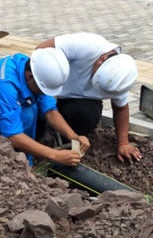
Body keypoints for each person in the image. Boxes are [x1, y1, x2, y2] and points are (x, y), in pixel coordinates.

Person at [0, 48, 90, 166]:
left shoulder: (34, 70)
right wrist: (55, 155)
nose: (45, 93)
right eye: (43, 89)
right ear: (29, 77)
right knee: (26, 113)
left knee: (31, 109)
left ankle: (27, 159)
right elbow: (13, 135)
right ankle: (24, 164)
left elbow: (50, 111)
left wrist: (73, 136)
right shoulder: (5, 84)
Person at [36, 32, 140, 164]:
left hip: (76, 104)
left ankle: (67, 143)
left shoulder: (120, 79)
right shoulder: (86, 45)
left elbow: (121, 109)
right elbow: (40, 51)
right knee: (32, 119)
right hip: (49, 92)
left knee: (85, 114)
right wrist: (51, 90)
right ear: (101, 59)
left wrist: (123, 143)